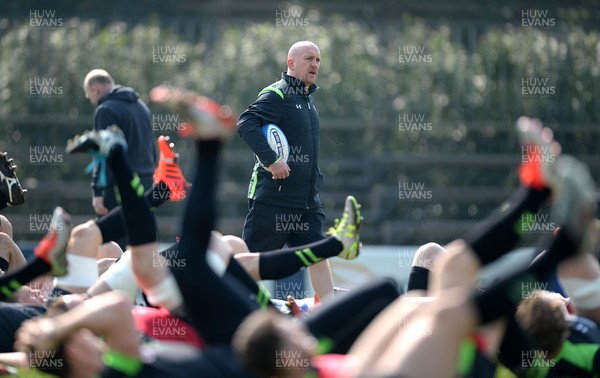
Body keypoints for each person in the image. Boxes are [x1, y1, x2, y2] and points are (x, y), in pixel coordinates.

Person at [237, 41, 336, 302]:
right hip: (273, 201)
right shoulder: (277, 94)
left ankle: (328, 308)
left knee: (318, 253)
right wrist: (271, 161)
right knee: (248, 263)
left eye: (317, 59)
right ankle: (231, 312)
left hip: (306, 202)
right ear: (291, 63)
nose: (315, 64)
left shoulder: (307, 98)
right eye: (308, 58)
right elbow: (246, 124)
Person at [82, 69, 158, 216]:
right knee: (143, 235)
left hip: (120, 186)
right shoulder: (141, 106)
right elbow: (152, 148)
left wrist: (98, 192)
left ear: (94, 90)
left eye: (89, 95)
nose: (91, 100)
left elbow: (102, 156)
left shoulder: (105, 110)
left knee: (114, 236)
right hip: (147, 183)